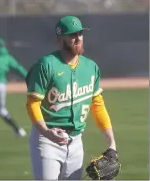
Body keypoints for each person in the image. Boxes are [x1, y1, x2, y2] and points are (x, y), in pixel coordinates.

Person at [25, 16, 117, 179]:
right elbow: (32, 103)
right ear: (59, 39)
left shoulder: (90, 67)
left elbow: (98, 105)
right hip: (48, 141)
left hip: (76, 142)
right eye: (72, 34)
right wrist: (46, 132)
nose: (78, 38)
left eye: (80, 33)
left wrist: (111, 144)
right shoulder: (46, 65)